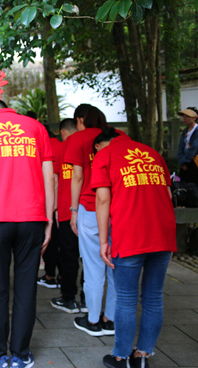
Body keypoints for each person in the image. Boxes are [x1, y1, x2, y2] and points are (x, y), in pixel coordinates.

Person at [0, 99, 54, 368]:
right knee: (26, 287)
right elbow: (49, 176)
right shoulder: (36, 127)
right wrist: (49, 220)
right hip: (32, 217)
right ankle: (21, 355)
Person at [91, 127, 177, 368]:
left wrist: (103, 241)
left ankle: (121, 357)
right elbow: (168, 195)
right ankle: (142, 357)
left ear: (104, 143)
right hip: (162, 233)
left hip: (130, 234)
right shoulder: (153, 154)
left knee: (127, 299)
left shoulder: (105, 155)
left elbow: (102, 200)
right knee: (153, 297)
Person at [65, 104, 117, 336]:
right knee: (116, 265)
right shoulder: (119, 136)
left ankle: (94, 319)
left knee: (93, 266)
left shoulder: (78, 139)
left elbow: (77, 177)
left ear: (79, 120)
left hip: (90, 207)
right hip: (118, 208)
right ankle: (111, 319)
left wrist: (73, 211)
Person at [50, 118, 86, 313]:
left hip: (66, 209)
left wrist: (54, 208)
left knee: (68, 256)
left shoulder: (60, 148)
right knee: (89, 259)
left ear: (63, 132)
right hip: (89, 208)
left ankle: (68, 298)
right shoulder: (90, 146)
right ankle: (88, 300)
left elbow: (54, 180)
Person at [38, 126, 61, 288]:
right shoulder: (62, 145)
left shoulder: (45, 147)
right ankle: (59, 276)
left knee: (50, 242)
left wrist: (52, 207)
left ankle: (50, 275)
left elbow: (53, 178)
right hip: (65, 205)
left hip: (49, 204)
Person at [177, 107, 198, 183]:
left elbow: (194, 148)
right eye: (184, 116)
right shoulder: (185, 130)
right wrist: (181, 160)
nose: (185, 119)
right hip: (184, 160)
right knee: (183, 182)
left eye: (188, 116)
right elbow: (181, 146)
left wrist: (184, 161)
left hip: (194, 161)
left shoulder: (197, 130)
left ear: (195, 118)